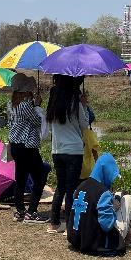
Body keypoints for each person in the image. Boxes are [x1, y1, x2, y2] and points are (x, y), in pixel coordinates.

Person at [66, 153, 131, 255]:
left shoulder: (79, 188)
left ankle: (130, 239)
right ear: (105, 172)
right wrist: (113, 208)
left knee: (119, 195)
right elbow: (107, 225)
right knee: (129, 199)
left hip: (76, 240)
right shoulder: (102, 192)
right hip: (97, 243)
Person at [45, 75, 90, 233]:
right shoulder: (74, 103)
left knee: (61, 187)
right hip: (74, 151)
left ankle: (54, 223)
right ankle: (70, 226)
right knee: (72, 189)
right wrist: (84, 105)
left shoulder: (52, 104)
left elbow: (49, 127)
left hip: (57, 150)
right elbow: (85, 124)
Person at [8, 74, 51, 224]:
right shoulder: (26, 105)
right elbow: (36, 121)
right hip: (27, 146)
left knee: (20, 178)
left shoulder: (11, 104)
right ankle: (32, 211)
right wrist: (38, 105)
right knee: (40, 176)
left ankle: (19, 211)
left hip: (15, 145)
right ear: (26, 90)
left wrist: (34, 105)